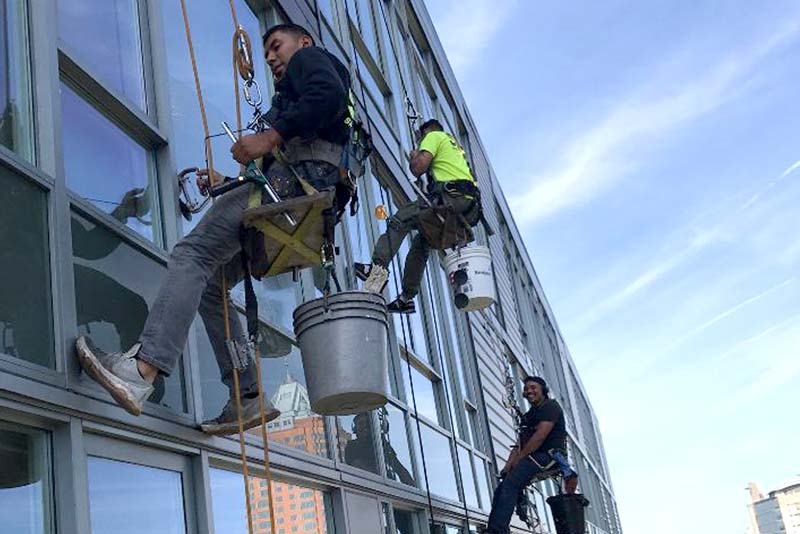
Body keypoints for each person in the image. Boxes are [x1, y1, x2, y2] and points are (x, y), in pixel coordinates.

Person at [75, 23, 354, 435]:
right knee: (211, 286)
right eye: (269, 53)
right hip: (295, 194)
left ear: (304, 42)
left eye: (277, 46)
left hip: (290, 189)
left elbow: (325, 95)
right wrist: (228, 180)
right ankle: (246, 395)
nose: (273, 58)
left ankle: (141, 369)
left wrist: (268, 136)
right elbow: (294, 149)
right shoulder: (308, 105)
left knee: (192, 255)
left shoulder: (312, 61)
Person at [355, 119, 480, 314]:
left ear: (426, 132)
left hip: (450, 200)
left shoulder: (433, 136)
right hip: (465, 209)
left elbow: (418, 167)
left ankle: (377, 271)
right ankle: (406, 298)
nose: (421, 143)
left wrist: (415, 155)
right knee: (422, 244)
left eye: (420, 139)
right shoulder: (455, 148)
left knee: (400, 220)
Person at [485, 376, 570, 533]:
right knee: (503, 488)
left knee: (511, 485)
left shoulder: (551, 407)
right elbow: (520, 444)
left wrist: (519, 460)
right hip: (533, 456)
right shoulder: (531, 415)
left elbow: (539, 437)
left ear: (543, 390)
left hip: (550, 455)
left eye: (533, 387)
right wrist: (508, 466)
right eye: (526, 388)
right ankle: (493, 529)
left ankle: (497, 531)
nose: (529, 390)